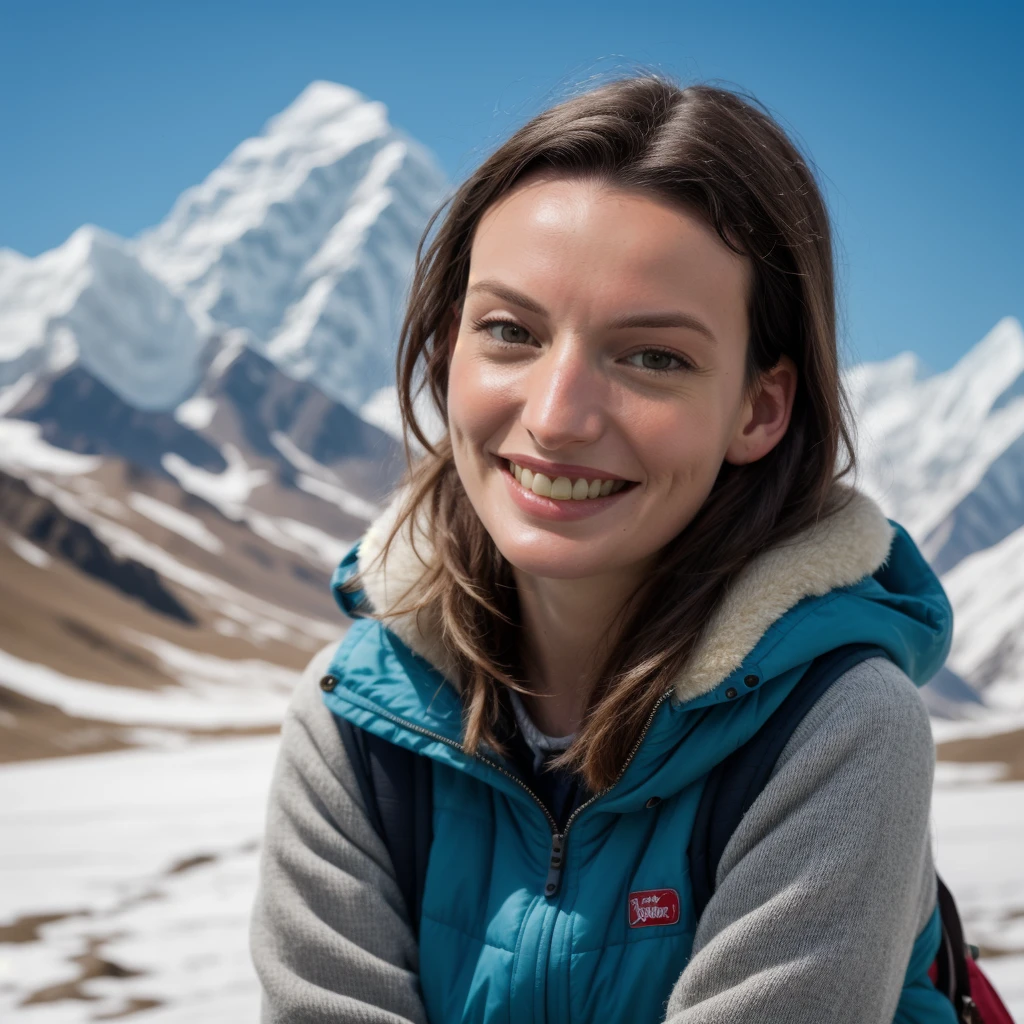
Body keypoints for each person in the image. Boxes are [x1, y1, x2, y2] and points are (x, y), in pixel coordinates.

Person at [250, 76, 957, 1023]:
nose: (556, 417)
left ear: (760, 408)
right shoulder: (353, 724)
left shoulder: (839, 728)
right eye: (510, 332)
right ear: (444, 353)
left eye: (652, 357)